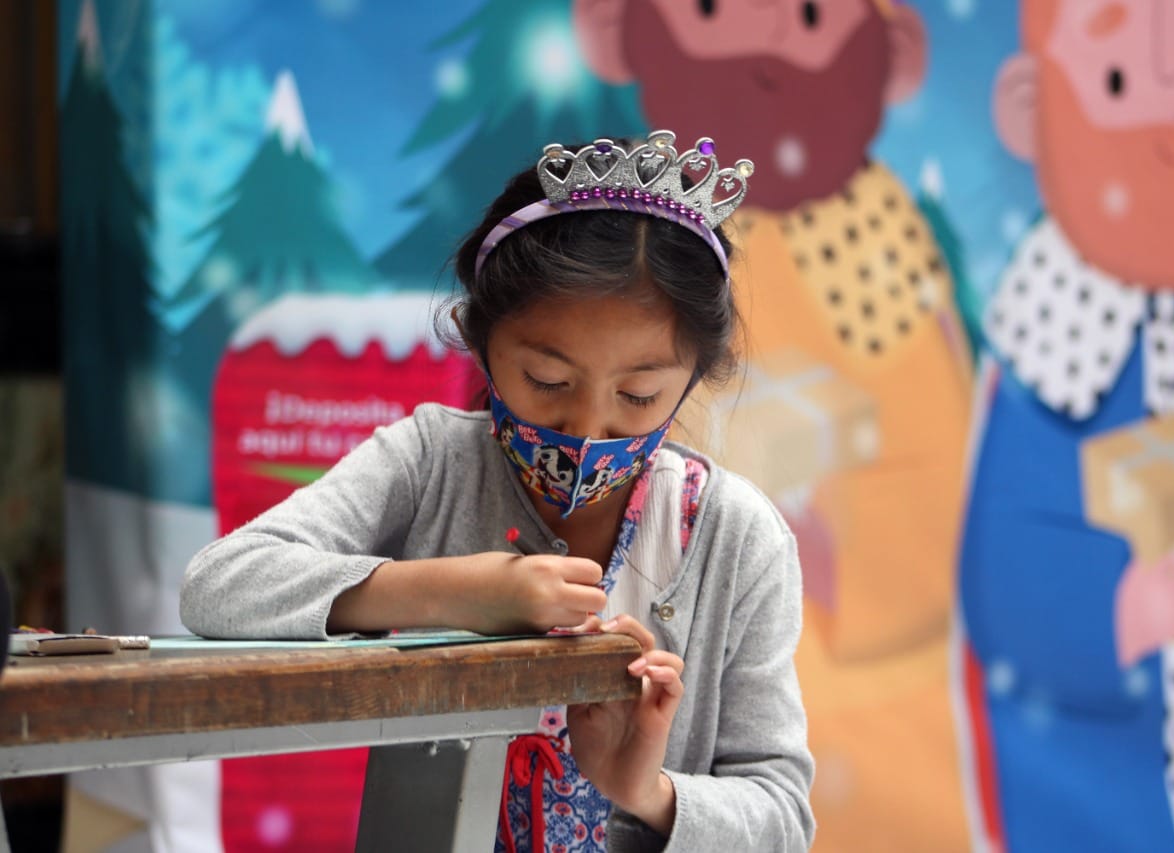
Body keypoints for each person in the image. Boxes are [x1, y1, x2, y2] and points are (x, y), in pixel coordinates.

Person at [180, 130, 816, 852]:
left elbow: (783, 819)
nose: (585, 427)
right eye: (548, 381)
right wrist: (458, 591)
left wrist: (645, 789)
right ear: (476, 338)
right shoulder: (429, 463)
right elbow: (218, 584)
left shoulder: (736, 535)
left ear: (695, 377)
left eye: (639, 395)